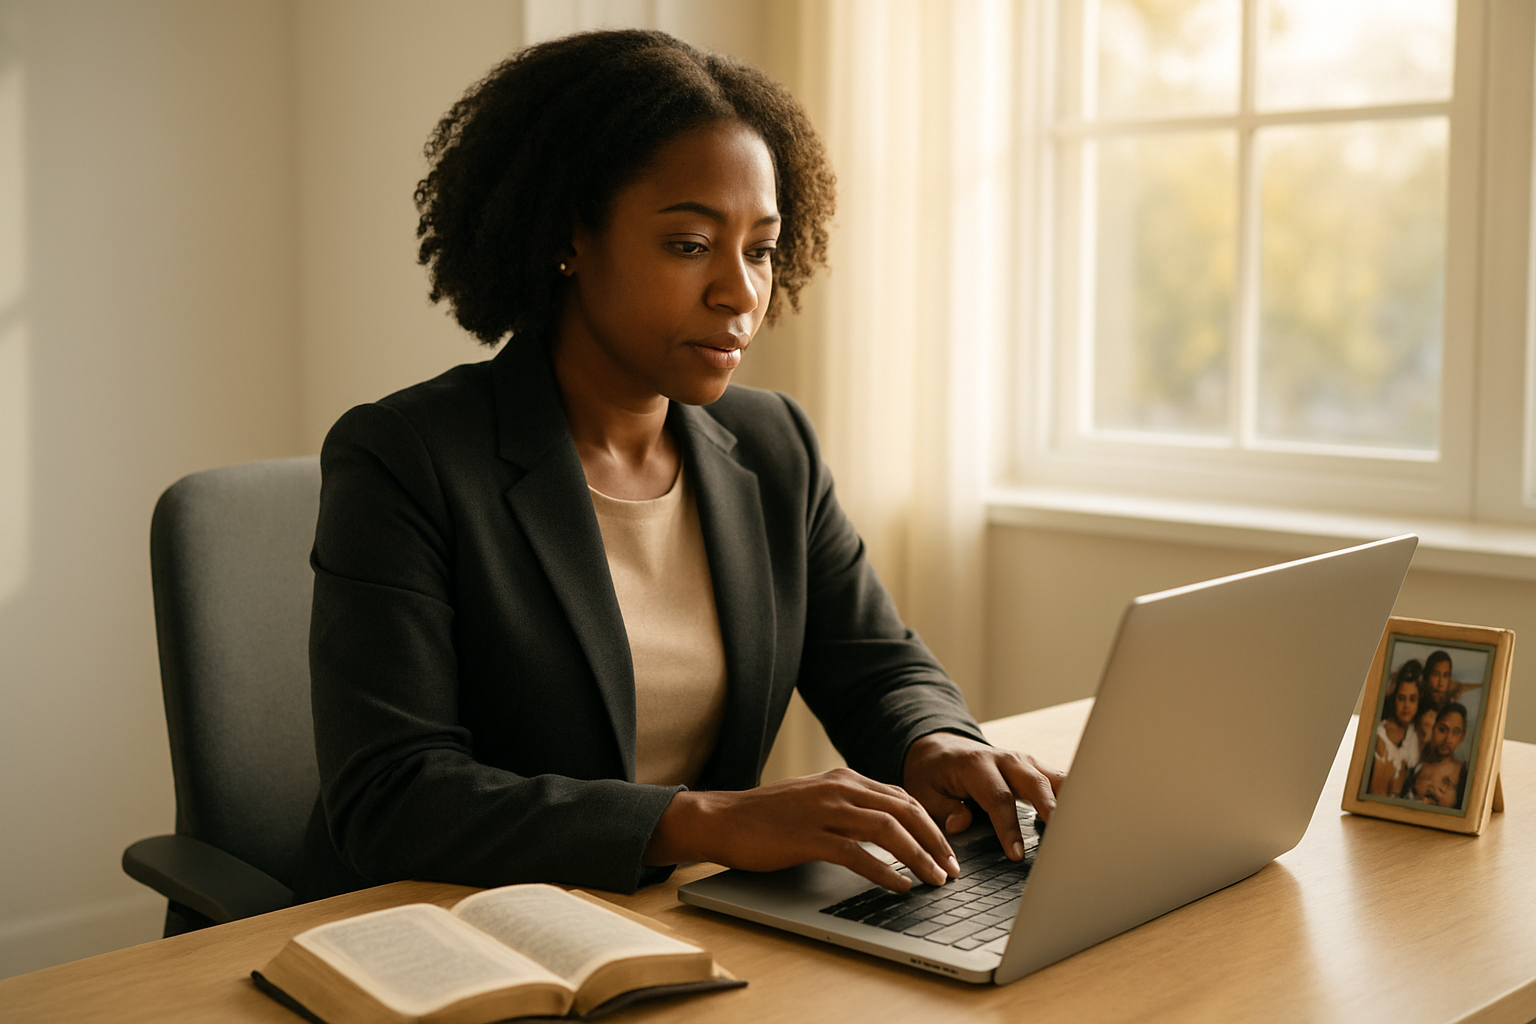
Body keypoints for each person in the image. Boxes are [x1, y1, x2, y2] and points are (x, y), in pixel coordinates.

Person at [294, 29, 1064, 902]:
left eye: (762, 248)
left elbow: (877, 664)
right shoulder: (408, 458)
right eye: (691, 245)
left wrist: (941, 743)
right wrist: (703, 820)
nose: (740, 292)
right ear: (568, 238)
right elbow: (392, 797)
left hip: (677, 923)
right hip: (455, 932)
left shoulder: (773, 445)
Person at [1369, 661, 1421, 797]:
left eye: (1412, 699)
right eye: (1401, 698)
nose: (1406, 706)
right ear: (1394, 699)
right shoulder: (1381, 735)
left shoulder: (1413, 736)